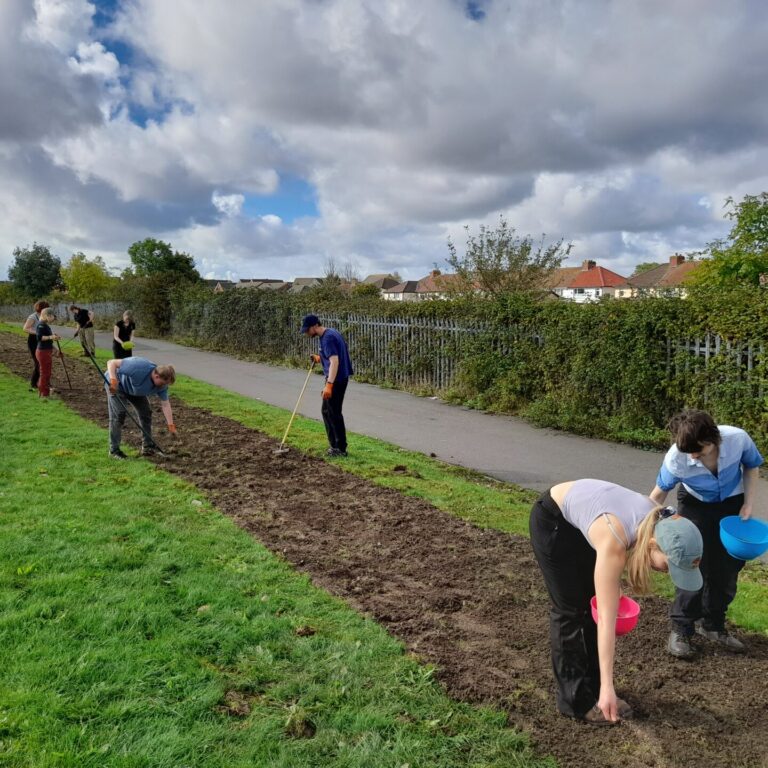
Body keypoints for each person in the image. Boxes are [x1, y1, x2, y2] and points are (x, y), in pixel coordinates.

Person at [530, 479, 703, 725]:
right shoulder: (615, 538)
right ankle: (576, 701)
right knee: (573, 610)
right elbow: (606, 621)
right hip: (554, 522)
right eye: (669, 565)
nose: (667, 573)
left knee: (591, 601)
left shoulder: (661, 519)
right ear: (653, 545)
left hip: (584, 522)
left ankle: (596, 688)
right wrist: (609, 686)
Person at [649, 409, 763, 658]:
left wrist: (749, 503)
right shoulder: (676, 458)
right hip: (695, 503)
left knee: (728, 566)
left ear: (713, 439)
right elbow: (658, 495)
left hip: (732, 502)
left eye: (698, 451)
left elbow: (752, 466)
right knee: (692, 563)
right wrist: (644, 528)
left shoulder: (738, 439)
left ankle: (713, 625)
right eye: (688, 452)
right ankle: (681, 629)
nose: (693, 457)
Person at [300, 314, 353, 457]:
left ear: (314, 326)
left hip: (336, 380)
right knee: (327, 411)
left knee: (333, 413)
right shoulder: (331, 333)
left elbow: (335, 361)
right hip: (338, 378)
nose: (306, 333)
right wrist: (320, 358)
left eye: (307, 330)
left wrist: (329, 385)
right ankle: (335, 445)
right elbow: (332, 355)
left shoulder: (327, 338)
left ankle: (340, 448)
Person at [105, 356, 177, 459]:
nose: (163, 386)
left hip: (135, 390)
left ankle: (148, 447)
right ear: (156, 376)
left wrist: (171, 425)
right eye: (162, 383)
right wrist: (113, 380)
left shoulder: (162, 386)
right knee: (119, 415)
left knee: (146, 412)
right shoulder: (139, 367)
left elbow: (165, 404)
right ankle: (114, 451)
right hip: (118, 386)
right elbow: (111, 362)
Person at [23, 300, 50, 391]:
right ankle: (36, 383)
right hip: (33, 341)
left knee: (42, 362)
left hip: (42, 340)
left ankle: (40, 382)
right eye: (46, 308)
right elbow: (25, 329)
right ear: (41, 308)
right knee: (38, 363)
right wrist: (37, 333)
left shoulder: (43, 316)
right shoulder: (33, 316)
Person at [35, 307, 61, 398]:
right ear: (46, 315)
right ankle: (44, 394)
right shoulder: (41, 325)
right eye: (52, 317)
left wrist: (54, 347)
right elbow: (39, 337)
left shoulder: (45, 324)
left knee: (47, 372)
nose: (53, 319)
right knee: (44, 373)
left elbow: (48, 339)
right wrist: (51, 337)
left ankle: (44, 391)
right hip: (43, 352)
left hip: (46, 351)